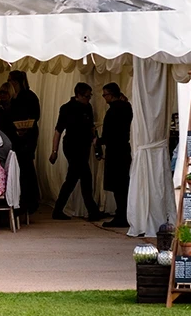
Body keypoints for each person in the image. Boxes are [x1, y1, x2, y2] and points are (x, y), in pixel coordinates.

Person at [49, 83, 106, 221]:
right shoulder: (67, 108)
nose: (89, 99)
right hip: (72, 146)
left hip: (84, 146)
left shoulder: (88, 107)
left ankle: (59, 210)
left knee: (73, 179)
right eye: (87, 96)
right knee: (84, 177)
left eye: (89, 96)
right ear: (78, 95)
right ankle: (92, 210)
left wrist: (95, 143)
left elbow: (91, 128)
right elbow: (58, 130)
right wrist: (54, 151)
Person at [99, 82, 133, 228]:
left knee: (118, 186)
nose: (104, 98)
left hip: (115, 150)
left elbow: (107, 134)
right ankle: (123, 213)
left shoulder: (113, 111)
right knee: (123, 184)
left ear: (111, 94)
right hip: (124, 148)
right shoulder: (127, 107)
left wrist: (98, 141)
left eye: (105, 94)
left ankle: (121, 215)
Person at [7, 71, 41, 213]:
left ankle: (30, 201)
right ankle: (23, 200)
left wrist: (25, 128)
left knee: (26, 166)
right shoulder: (15, 97)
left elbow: (35, 115)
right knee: (21, 167)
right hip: (17, 135)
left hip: (27, 134)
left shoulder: (29, 96)